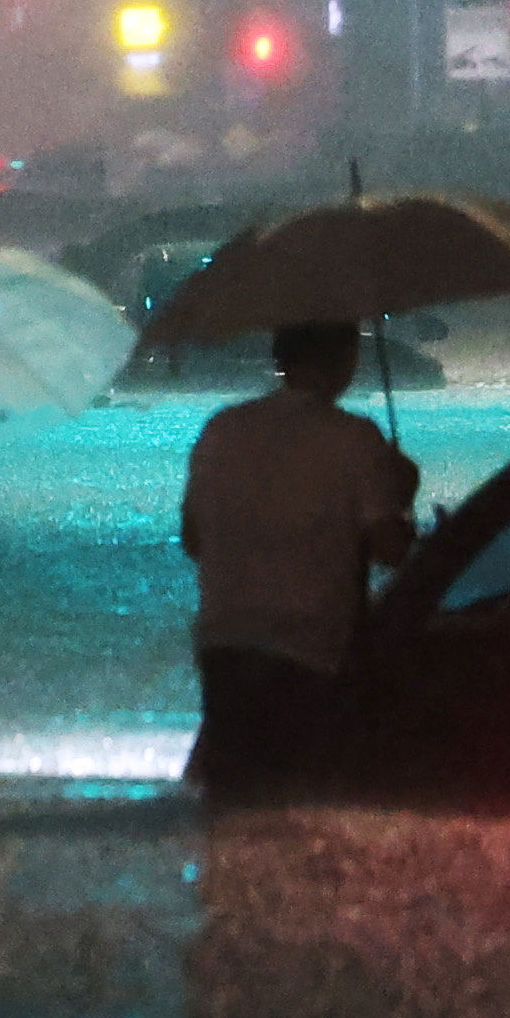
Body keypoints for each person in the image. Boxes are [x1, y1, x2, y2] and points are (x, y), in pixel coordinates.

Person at [178, 319, 419, 799]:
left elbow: (193, 539)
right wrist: (404, 494)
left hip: (226, 643)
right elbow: (390, 550)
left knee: (235, 801)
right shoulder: (355, 439)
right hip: (313, 651)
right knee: (307, 803)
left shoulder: (222, 429)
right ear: (347, 360)